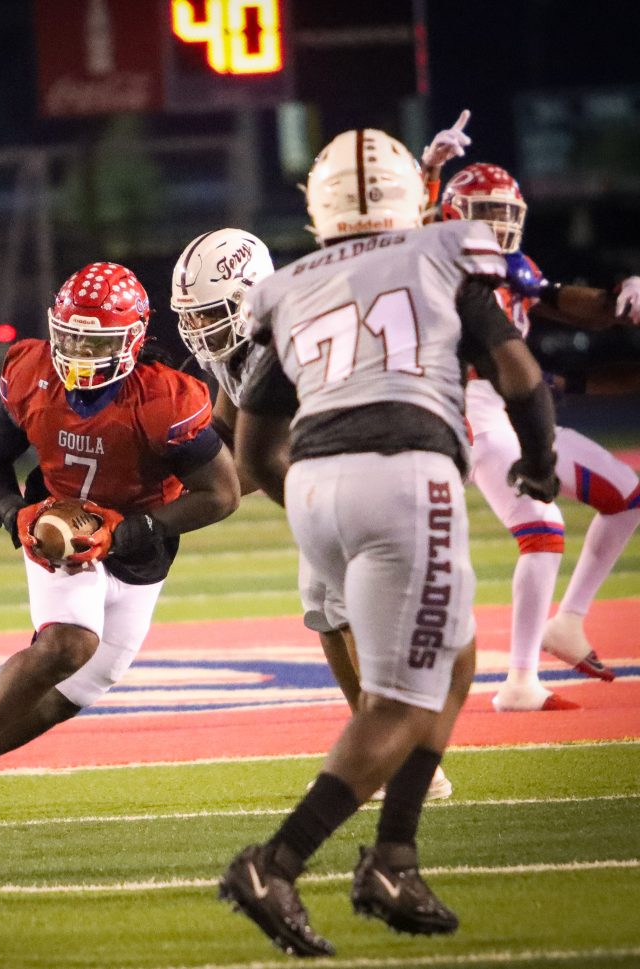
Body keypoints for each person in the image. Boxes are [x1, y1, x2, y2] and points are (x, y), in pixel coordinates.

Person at [217, 127, 559, 956]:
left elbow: (252, 449)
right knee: (400, 701)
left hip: (314, 490)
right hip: (406, 472)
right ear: (412, 196)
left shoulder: (292, 284)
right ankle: (276, 861)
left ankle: (395, 855)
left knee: (461, 656)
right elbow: (519, 373)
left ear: (316, 206)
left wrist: (319, 485)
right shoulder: (440, 253)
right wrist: (541, 465)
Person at [0, 261, 240, 833]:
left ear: (131, 340)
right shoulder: (34, 373)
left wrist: (128, 531)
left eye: (95, 341)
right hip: (57, 528)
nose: (79, 353)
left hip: (140, 546)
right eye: (69, 337)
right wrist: (13, 511)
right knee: (68, 646)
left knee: (80, 689)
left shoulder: (165, 398)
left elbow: (221, 493)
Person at [170, 227, 453, 799]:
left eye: (212, 313)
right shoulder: (240, 349)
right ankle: (368, 745)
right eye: (193, 317)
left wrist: (184, 499)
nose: (201, 329)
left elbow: (257, 459)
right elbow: (228, 423)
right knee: (324, 611)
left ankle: (406, 760)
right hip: (320, 478)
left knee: (352, 613)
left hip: (366, 464)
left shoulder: (290, 340)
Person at [439, 159, 640, 711]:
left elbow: (561, 298)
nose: (499, 225)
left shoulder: (509, 267)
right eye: (487, 214)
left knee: (625, 495)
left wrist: (622, 296)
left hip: (511, 409)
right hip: (468, 412)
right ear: (453, 215)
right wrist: (429, 172)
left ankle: (568, 622)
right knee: (543, 527)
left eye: (507, 214)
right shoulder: (441, 265)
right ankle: (520, 681)